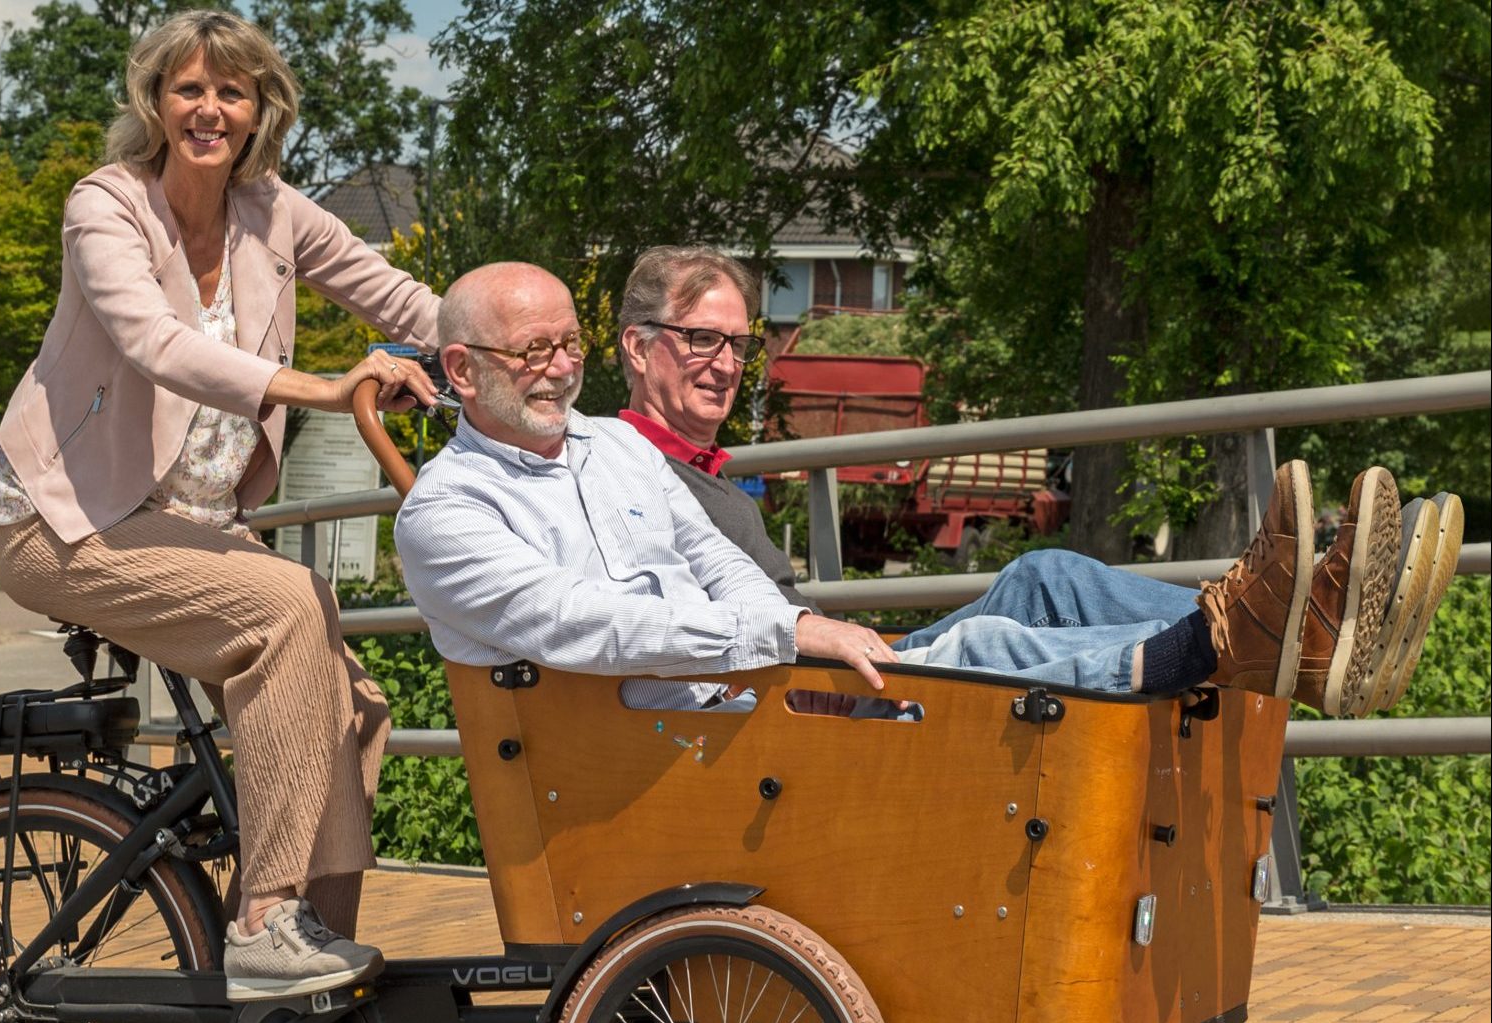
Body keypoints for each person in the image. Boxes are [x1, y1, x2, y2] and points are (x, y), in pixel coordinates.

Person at [396, 262, 1453, 718]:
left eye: (560, 344)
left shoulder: (607, 451)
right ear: (460, 370)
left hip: (749, 690)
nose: (553, 368)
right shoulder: (446, 515)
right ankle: (1237, 641)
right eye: (526, 352)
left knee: (1036, 578)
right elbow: (583, 623)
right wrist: (785, 639)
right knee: (987, 650)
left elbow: (713, 558)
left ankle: (1296, 626)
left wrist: (793, 621)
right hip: (681, 730)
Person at [0, 10, 442, 1000]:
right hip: (64, 522)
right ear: (155, 101)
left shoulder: (272, 212)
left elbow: (399, 299)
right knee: (284, 610)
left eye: (229, 91)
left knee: (355, 703)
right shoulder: (105, 206)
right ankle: (265, 919)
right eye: (187, 88)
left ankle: (313, 975)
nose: (207, 108)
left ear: (257, 110)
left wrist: (516, 345)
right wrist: (323, 387)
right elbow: (157, 343)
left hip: (188, 521)